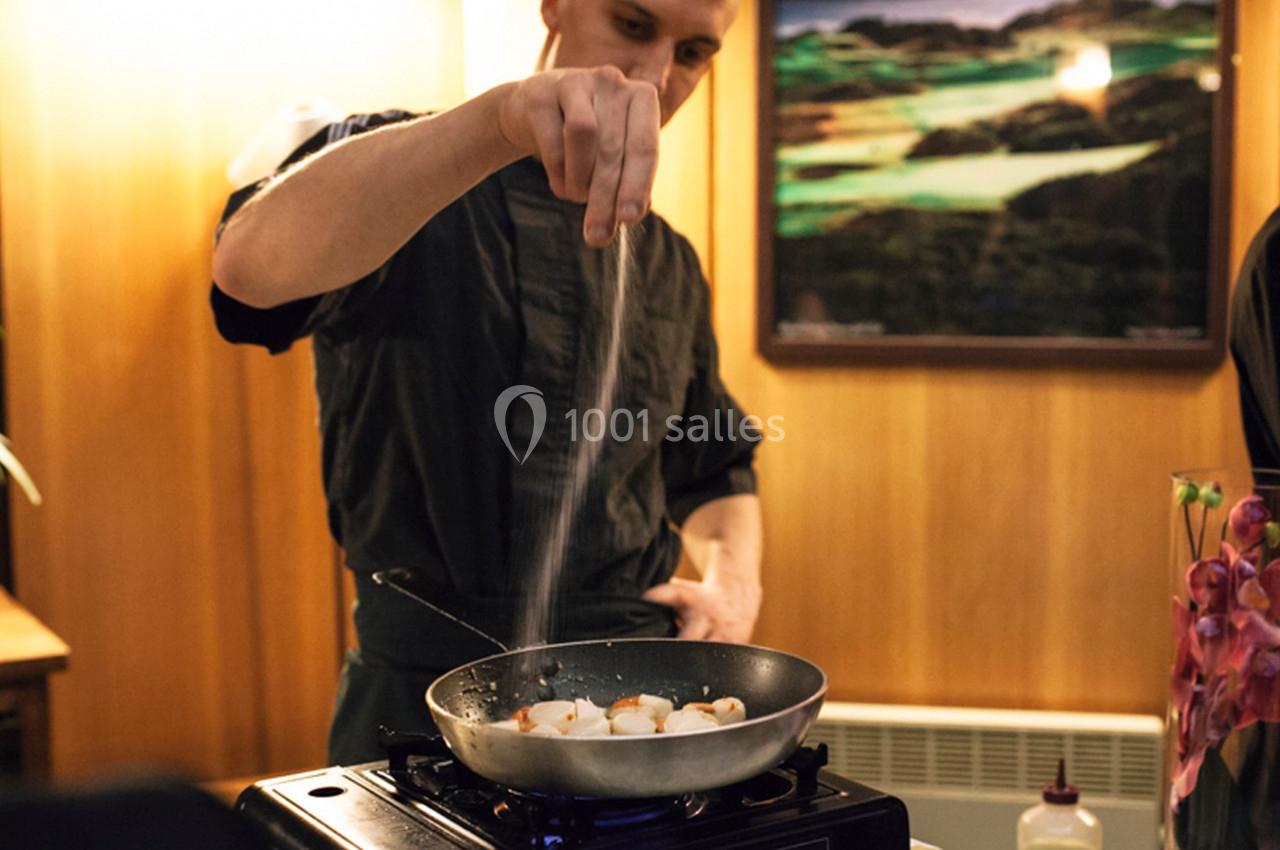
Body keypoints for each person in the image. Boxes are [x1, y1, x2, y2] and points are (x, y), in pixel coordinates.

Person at [210, 0, 761, 765]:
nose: (655, 75)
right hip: (420, 700)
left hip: (632, 704)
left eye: (693, 52)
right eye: (633, 26)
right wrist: (499, 120)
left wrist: (734, 587)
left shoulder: (669, 261)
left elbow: (713, 463)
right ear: (556, 7)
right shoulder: (408, 174)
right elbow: (246, 277)